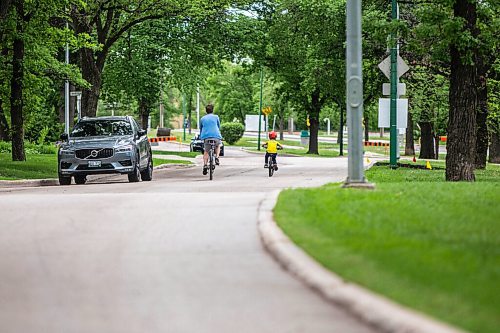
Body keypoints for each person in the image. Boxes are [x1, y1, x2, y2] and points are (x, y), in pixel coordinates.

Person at [199, 104, 222, 175]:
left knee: (206, 151)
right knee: (218, 146)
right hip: (216, 135)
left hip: (206, 136)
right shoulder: (216, 117)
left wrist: (201, 136)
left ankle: (205, 165)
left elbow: (201, 128)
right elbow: (218, 126)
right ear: (212, 110)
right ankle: (217, 157)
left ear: (206, 111)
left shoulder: (202, 119)